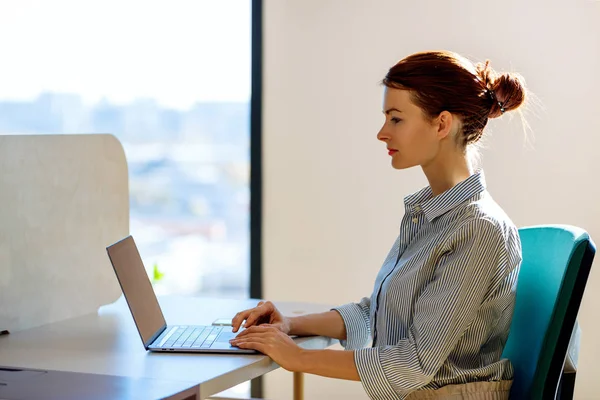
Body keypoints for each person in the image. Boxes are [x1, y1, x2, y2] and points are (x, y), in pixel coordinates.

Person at [229, 50, 526, 399]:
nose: (382, 133)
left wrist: (297, 357)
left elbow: (414, 362)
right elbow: (380, 313)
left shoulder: (478, 229)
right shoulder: (432, 215)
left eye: (396, 119)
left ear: (442, 124)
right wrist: (290, 325)